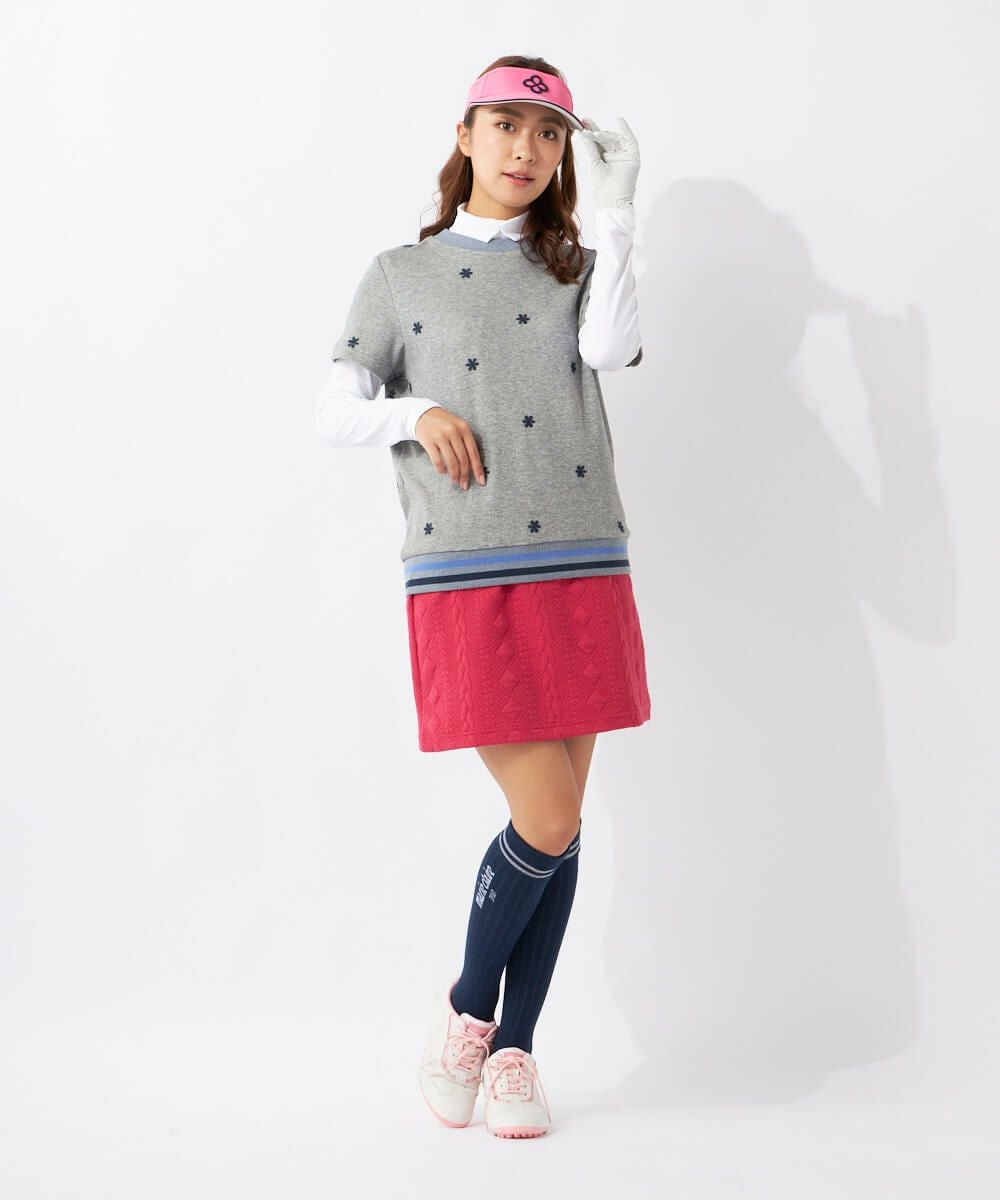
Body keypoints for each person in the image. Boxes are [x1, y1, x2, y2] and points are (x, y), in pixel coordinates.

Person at [316, 54, 650, 1138]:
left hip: (583, 556)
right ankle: (467, 1008)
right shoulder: (398, 275)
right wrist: (413, 414)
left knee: (559, 824)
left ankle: (513, 1051)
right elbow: (334, 407)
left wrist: (619, 217)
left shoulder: (575, 263)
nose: (527, 149)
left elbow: (611, 348)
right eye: (506, 125)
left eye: (548, 134)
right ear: (465, 135)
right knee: (544, 817)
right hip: (465, 564)